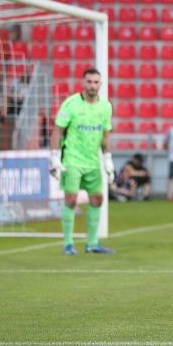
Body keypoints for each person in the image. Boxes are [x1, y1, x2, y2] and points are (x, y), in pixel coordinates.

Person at [49, 67, 115, 255]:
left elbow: (106, 135)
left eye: (96, 82)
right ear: (83, 83)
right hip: (72, 160)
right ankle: (68, 244)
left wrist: (108, 160)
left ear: (100, 84)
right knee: (71, 199)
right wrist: (54, 157)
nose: (93, 86)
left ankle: (92, 243)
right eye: (89, 82)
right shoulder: (71, 104)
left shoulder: (105, 106)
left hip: (93, 161)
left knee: (97, 199)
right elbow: (58, 131)